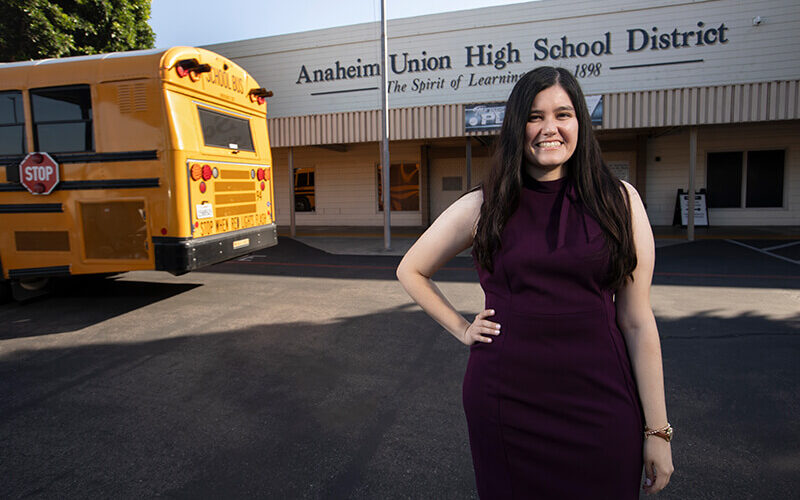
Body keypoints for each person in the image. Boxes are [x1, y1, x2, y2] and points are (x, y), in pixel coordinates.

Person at [396, 66, 673, 498]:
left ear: (580, 122)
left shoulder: (620, 200)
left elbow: (637, 322)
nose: (549, 128)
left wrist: (658, 429)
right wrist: (462, 328)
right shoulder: (484, 204)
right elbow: (410, 269)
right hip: (508, 407)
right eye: (534, 116)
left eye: (562, 114)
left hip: (601, 406)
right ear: (515, 127)